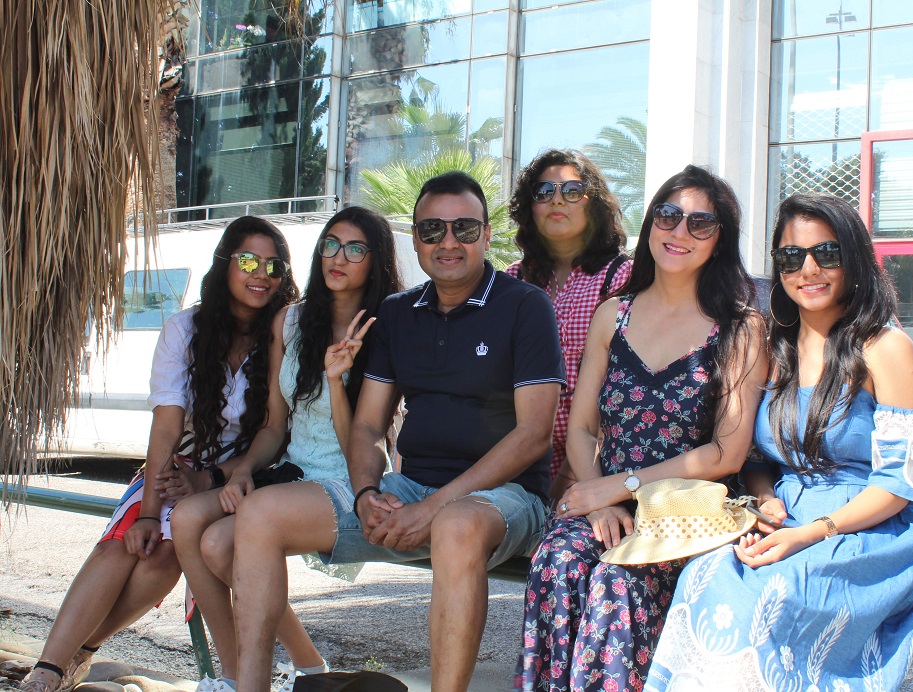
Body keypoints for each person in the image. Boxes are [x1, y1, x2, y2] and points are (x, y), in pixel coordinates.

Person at [229, 171, 565, 692]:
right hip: (408, 491)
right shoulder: (397, 312)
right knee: (259, 514)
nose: (447, 242)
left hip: (506, 496)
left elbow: (534, 435)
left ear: (486, 235)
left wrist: (432, 508)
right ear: (415, 238)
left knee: (455, 526)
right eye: (432, 230)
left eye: (463, 229)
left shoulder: (525, 305)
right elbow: (367, 424)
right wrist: (366, 493)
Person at [645, 193, 913, 691]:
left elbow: (900, 483)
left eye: (827, 253)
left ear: (854, 259)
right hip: (787, 517)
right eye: (790, 256)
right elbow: (758, 458)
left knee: (781, 595)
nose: (808, 269)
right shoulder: (774, 347)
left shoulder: (886, 348)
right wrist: (764, 499)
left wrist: (810, 534)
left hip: (869, 526)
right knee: (705, 576)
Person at [19, 216, 299, 692]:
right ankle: (48, 670)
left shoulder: (283, 333)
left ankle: (82, 651)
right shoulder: (185, 328)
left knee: (165, 557)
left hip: (243, 475)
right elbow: (167, 427)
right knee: (129, 542)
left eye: (274, 266)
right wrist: (149, 513)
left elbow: (275, 433)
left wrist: (211, 479)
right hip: (176, 466)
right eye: (249, 261)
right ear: (225, 264)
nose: (262, 275)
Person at [515, 165, 768, 692]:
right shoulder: (614, 314)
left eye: (701, 223)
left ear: (720, 239)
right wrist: (600, 501)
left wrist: (622, 486)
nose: (680, 232)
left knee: (618, 579)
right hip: (606, 502)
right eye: (668, 216)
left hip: (688, 515)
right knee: (558, 562)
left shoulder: (741, 328)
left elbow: (726, 453)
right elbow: (582, 429)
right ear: (651, 222)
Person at [170, 206, 403, 690]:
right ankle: (250, 672)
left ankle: (255, 679)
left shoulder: (389, 328)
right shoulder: (290, 321)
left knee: (221, 542)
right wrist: (243, 472)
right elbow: (275, 426)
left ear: (376, 260)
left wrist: (336, 382)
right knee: (190, 519)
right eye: (330, 244)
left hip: (350, 478)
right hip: (293, 471)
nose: (338, 257)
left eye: (355, 248)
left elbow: (362, 444)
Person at [506, 149, 632, 499]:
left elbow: (623, 388)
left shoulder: (621, 277)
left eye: (573, 191)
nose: (557, 200)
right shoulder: (511, 282)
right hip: (517, 467)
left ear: (595, 205)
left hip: (596, 468)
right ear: (529, 207)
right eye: (543, 191)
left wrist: (566, 479)